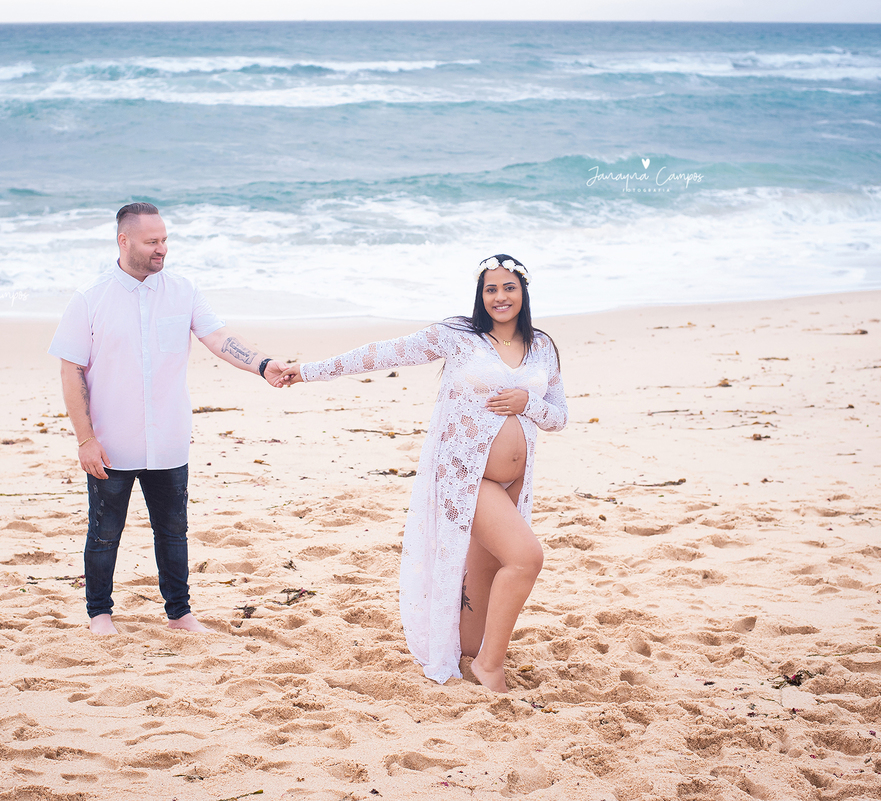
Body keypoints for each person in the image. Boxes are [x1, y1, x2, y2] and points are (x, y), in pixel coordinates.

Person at [281, 255, 567, 692]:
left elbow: (558, 417)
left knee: (475, 613)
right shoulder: (458, 337)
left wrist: (529, 404)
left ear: (523, 291)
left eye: (509, 287)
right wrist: (307, 371)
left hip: (513, 484)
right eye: (490, 289)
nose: (500, 297)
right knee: (526, 558)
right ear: (480, 295)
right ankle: (490, 667)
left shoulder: (542, 346)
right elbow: (381, 353)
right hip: (466, 476)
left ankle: (475, 653)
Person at [49, 202, 287, 636]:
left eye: (164, 240)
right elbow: (71, 371)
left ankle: (179, 613)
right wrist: (85, 439)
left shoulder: (183, 290)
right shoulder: (89, 299)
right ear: (123, 241)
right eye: (151, 242)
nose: (161, 249)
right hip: (111, 443)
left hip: (169, 438)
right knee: (104, 533)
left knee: (174, 532)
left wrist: (263, 364)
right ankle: (100, 614)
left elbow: (218, 337)